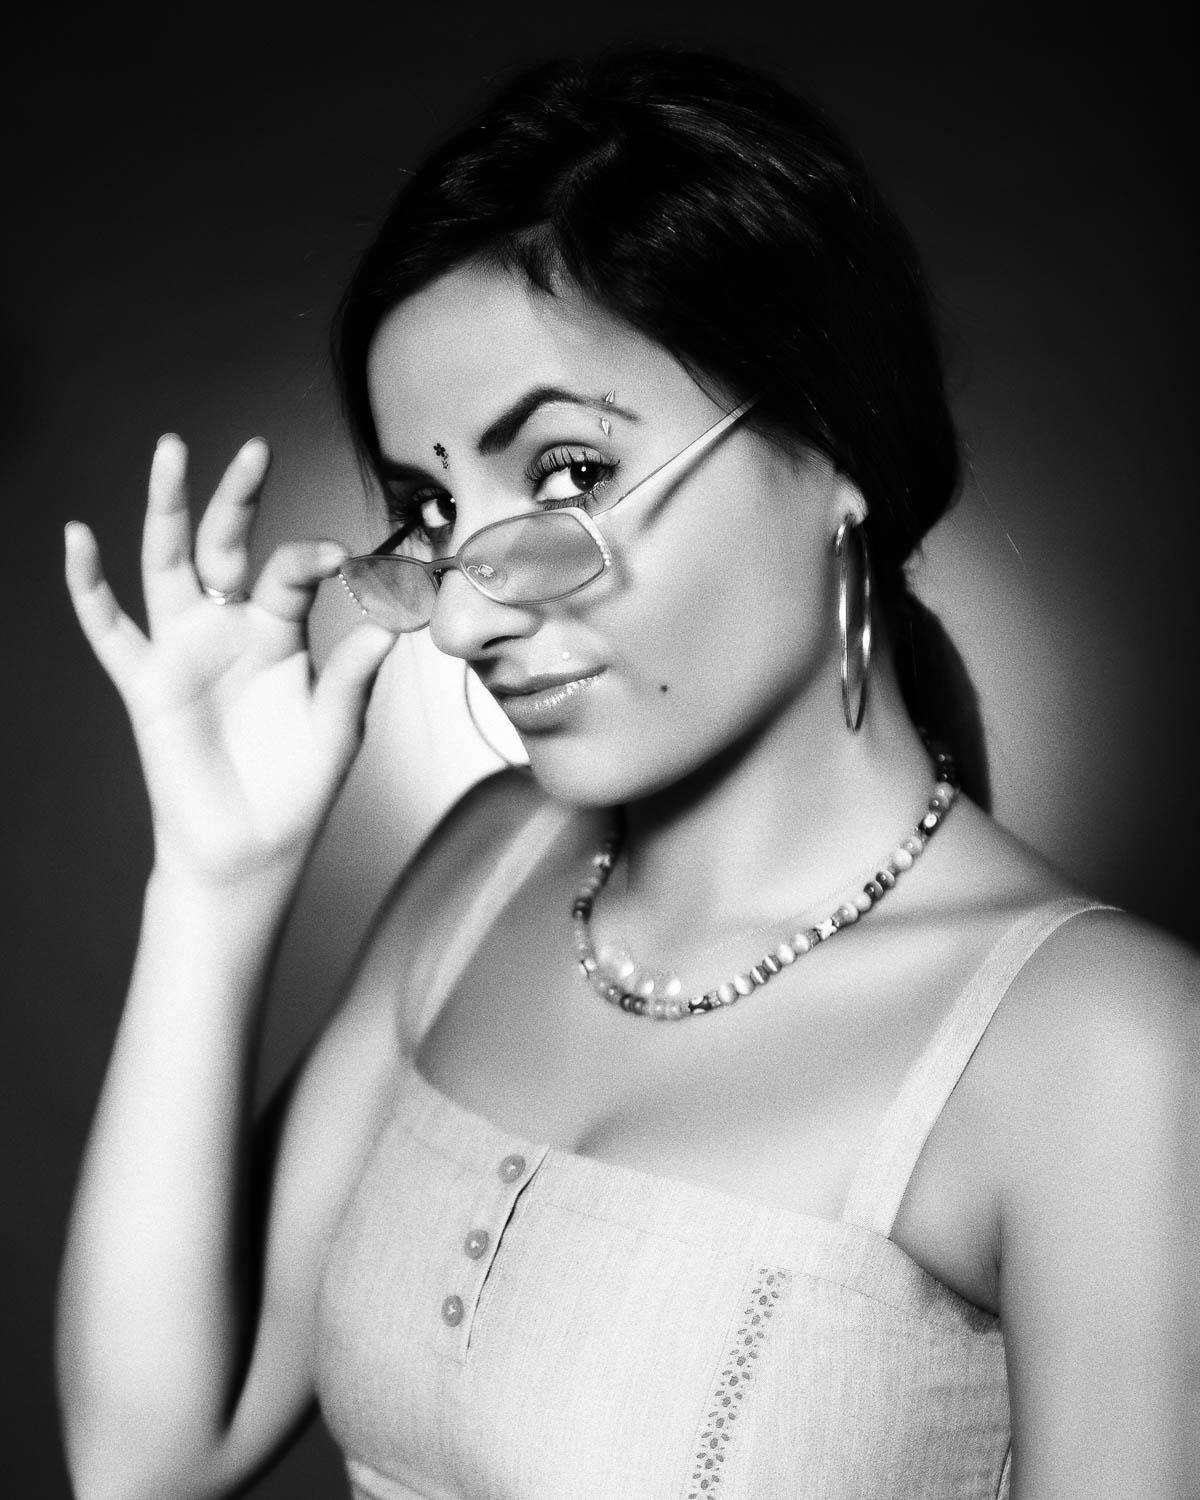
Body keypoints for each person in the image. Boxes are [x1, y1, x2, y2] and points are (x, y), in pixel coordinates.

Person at [56, 47, 1197, 1500]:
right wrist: (216, 885)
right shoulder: (487, 867)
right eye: (430, 510)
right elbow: (143, 1462)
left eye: (569, 473)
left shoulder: (1105, 1049)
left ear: (833, 438)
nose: (461, 617)